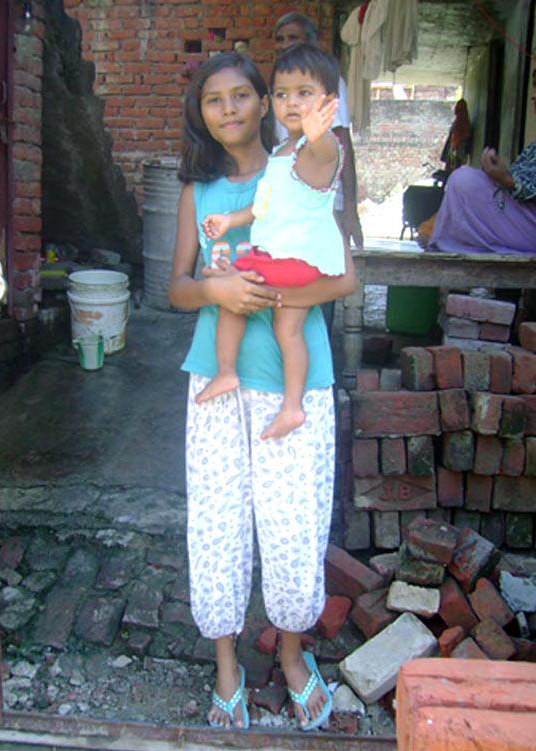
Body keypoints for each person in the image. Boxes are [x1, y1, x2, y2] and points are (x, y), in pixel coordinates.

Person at [168, 52, 356, 731]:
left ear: (267, 102)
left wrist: (272, 290)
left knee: (290, 523)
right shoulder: (199, 193)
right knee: (216, 519)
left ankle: (293, 656)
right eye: (213, 100)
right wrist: (216, 288)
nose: (229, 110)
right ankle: (226, 663)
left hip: (293, 384)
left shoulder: (303, 170)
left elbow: (342, 279)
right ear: (201, 112)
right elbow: (176, 287)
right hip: (214, 382)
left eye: (242, 95)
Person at [196, 44, 346, 441]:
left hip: (294, 261)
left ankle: (226, 371)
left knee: (234, 288)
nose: (291, 102)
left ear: (329, 102)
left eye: (304, 93)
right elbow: (265, 208)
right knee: (288, 332)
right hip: (289, 261)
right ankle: (292, 407)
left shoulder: (314, 152)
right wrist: (230, 219)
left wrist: (320, 136)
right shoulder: (282, 154)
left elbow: (328, 156)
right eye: (282, 94)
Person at [273, 12, 363, 334]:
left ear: (310, 42)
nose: (284, 46)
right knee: (291, 292)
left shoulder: (328, 82)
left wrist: (349, 210)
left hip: (326, 203)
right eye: (280, 40)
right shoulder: (282, 87)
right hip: (290, 206)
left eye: (292, 38)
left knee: (322, 285)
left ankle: (320, 367)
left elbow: (343, 146)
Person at [429, 58, 536, 255]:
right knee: (465, 180)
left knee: (463, 181)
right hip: (533, 216)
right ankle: (452, 247)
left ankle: (455, 249)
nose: (534, 97)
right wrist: (499, 174)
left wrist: (508, 180)